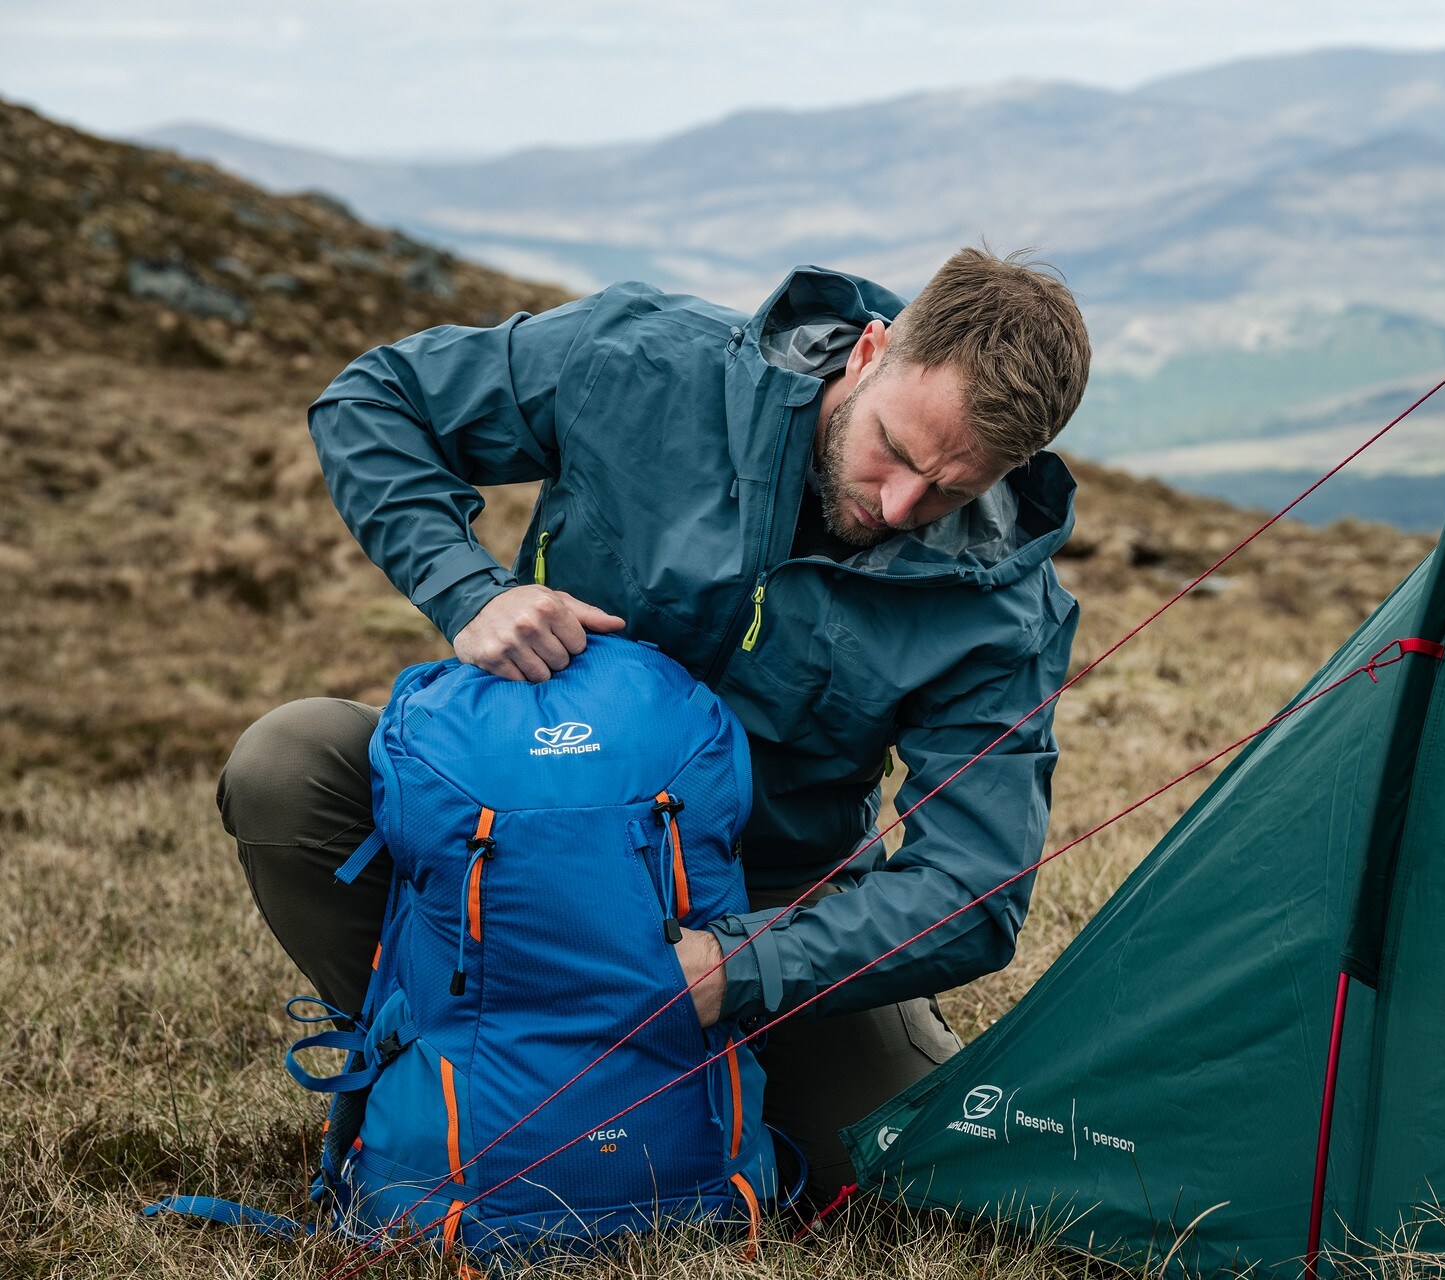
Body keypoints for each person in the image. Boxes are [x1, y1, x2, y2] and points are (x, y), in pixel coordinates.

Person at [217, 247, 1091, 1201]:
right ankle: (452, 1064)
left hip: (761, 915)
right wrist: (468, 589)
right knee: (288, 766)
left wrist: (739, 966)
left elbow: (973, 889)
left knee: (898, 1180)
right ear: (870, 352)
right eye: (899, 451)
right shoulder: (642, 362)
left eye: (951, 493)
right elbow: (374, 400)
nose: (897, 506)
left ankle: (642, 1082)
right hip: (508, 850)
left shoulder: (1002, 610)